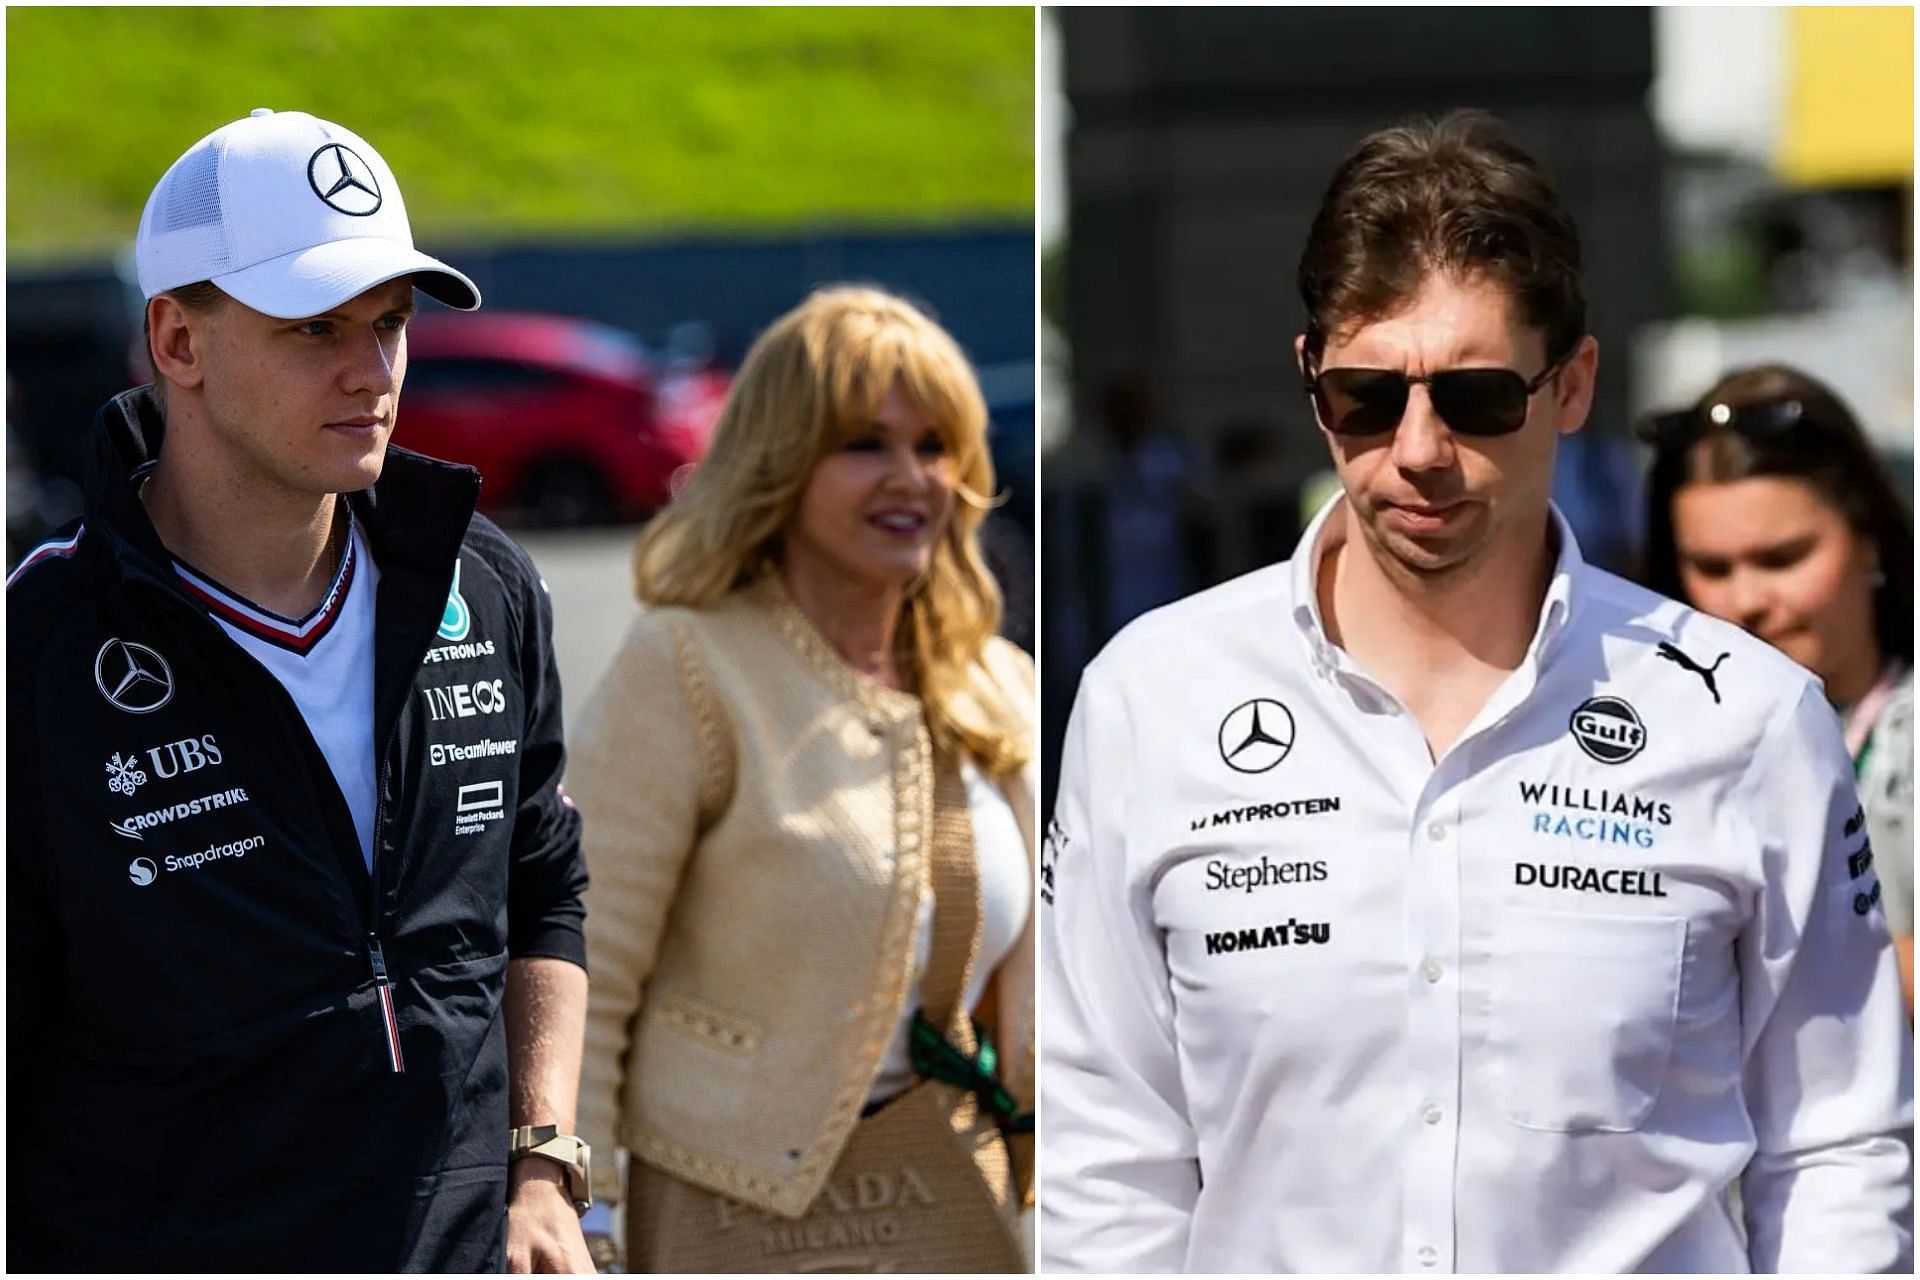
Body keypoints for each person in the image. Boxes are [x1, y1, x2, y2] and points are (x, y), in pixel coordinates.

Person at [1040, 110, 1913, 1273]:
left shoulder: (1748, 717)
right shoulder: (1149, 696)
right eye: (1365, 396)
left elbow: (1839, 1147)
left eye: (1476, 397)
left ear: (1572, 385)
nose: (1417, 449)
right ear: (1312, 383)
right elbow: (1109, 1157)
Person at [6, 109, 594, 1272]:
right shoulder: (36, 651)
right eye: (314, 325)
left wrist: (542, 1162)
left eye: (389, 324)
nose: (371, 371)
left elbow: (543, 884)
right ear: (178, 340)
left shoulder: (486, 583)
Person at [571, 285, 1036, 1273]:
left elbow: (1040, 995)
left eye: (935, 444)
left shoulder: (998, 683)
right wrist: (586, 1206)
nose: (909, 475)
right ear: (780, 461)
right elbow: (587, 970)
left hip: (947, 1198)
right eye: (865, 443)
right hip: (721, 1206)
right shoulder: (687, 663)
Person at [1641, 365, 1914, 1018]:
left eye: (1784, 558)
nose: (1748, 600)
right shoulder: (1638, 747)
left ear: (1869, 538)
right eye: (1711, 568)